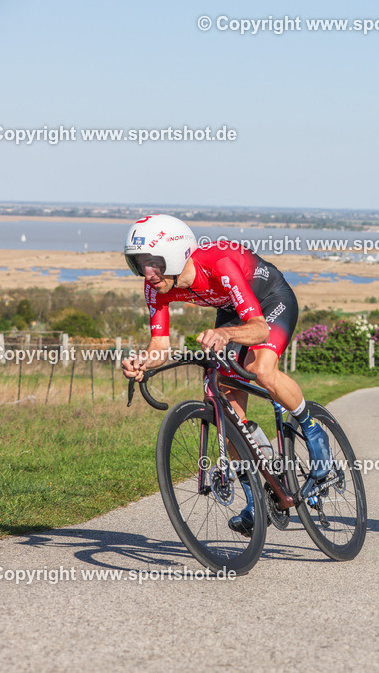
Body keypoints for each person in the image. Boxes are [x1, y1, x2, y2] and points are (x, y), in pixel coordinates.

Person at [119, 214, 331, 535]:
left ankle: (313, 430)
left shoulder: (218, 262)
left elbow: (259, 329)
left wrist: (227, 335)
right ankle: (256, 496)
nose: (148, 273)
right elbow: (159, 346)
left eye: (154, 263)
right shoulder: (157, 289)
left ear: (175, 254)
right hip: (234, 310)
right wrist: (143, 363)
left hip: (270, 300)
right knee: (227, 410)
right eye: (139, 264)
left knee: (261, 369)